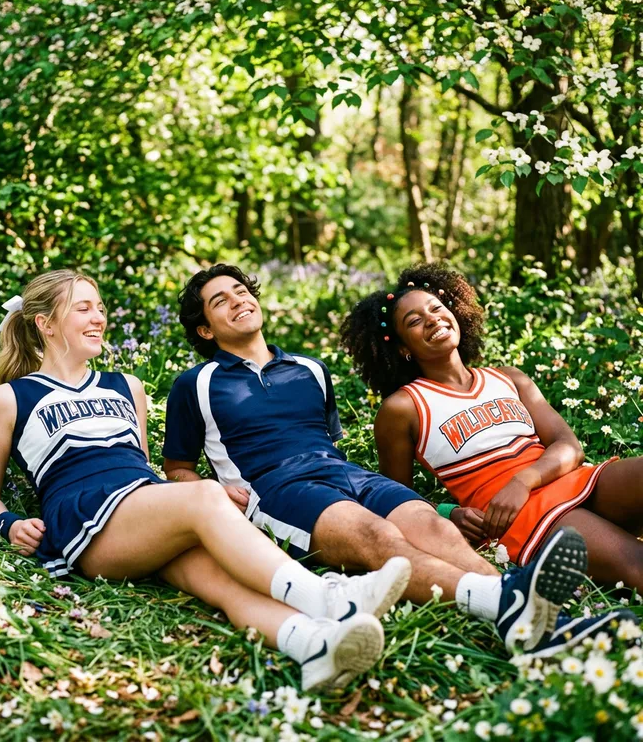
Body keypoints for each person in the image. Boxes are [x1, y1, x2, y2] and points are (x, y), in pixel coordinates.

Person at [0, 270, 421, 694]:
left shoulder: (128, 386)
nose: (99, 317)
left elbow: (141, 468)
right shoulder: (9, 398)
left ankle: (312, 645)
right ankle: (326, 597)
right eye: (84, 308)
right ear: (46, 324)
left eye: (101, 307)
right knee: (205, 492)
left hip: (141, 511)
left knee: (223, 580)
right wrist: (8, 523)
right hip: (86, 520)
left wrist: (180, 503)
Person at [163, 264, 631, 659]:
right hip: (279, 488)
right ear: (205, 329)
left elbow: (328, 441)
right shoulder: (196, 384)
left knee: (433, 527)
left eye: (241, 291)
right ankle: (512, 606)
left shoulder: (310, 370)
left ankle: (535, 619)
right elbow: (178, 467)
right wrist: (218, 491)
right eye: (220, 301)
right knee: (377, 536)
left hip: (345, 474)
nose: (237, 301)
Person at [341, 262, 643, 592]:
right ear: (402, 347)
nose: (432, 319)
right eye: (414, 321)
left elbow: (568, 446)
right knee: (635, 562)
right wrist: (446, 512)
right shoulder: (403, 407)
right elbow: (395, 498)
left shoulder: (509, 378)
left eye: (437, 308)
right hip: (516, 517)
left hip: (569, 479)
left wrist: (523, 480)